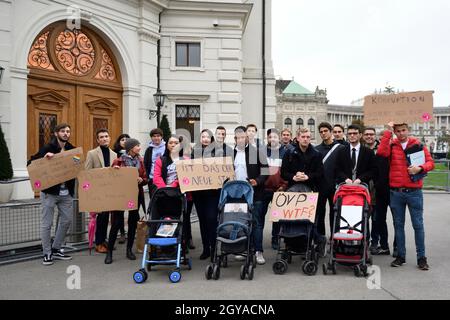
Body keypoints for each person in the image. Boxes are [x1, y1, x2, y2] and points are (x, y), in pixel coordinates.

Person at [377, 122, 434, 270]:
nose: (401, 133)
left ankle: (421, 258)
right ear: (395, 132)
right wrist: (388, 131)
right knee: (398, 226)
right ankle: (400, 256)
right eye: (398, 131)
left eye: (404, 130)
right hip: (396, 192)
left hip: (414, 192)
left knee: (418, 226)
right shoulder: (391, 145)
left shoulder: (418, 144)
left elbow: (430, 163)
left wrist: (420, 168)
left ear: (408, 130)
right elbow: (381, 153)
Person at [27, 123, 75, 265]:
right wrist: (44, 158)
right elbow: (30, 163)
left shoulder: (72, 149)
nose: (66, 133)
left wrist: (76, 161)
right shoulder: (48, 148)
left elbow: (78, 164)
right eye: (63, 131)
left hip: (66, 192)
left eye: (68, 131)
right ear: (56, 133)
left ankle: (56, 248)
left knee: (66, 221)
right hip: (50, 192)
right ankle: (46, 253)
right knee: (47, 224)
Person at [105, 138, 147, 264]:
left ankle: (129, 250)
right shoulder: (118, 160)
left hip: (135, 194)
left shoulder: (141, 160)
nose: (139, 147)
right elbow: (110, 176)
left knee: (133, 221)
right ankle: (109, 252)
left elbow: (145, 177)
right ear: (130, 148)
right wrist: (115, 171)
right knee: (117, 222)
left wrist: (142, 180)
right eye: (137, 145)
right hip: (120, 195)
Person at [233, 126, 268, 264]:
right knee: (241, 222)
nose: (241, 139)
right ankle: (244, 249)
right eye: (238, 137)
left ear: (247, 137)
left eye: (243, 137)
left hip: (255, 193)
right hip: (236, 194)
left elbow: (266, 171)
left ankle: (258, 251)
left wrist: (258, 181)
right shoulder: (231, 154)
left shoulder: (257, 152)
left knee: (256, 223)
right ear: (235, 139)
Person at [85, 128, 117, 254]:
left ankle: (104, 240)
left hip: (109, 190)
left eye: (106, 136)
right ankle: (98, 243)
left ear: (109, 138)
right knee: (101, 217)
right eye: (101, 137)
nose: (104, 138)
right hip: (97, 190)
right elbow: (87, 172)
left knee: (106, 217)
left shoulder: (114, 154)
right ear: (98, 140)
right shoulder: (92, 153)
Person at [192, 129, 220, 260]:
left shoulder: (218, 152)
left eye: (208, 137)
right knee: (202, 221)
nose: (205, 139)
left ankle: (214, 248)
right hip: (199, 193)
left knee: (211, 219)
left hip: (213, 193)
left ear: (211, 139)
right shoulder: (194, 152)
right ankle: (205, 248)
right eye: (203, 137)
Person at [362, 127, 391, 256]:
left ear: (375, 136)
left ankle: (379, 243)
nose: (369, 136)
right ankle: (365, 241)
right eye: (366, 134)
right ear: (363, 136)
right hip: (365, 189)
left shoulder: (383, 148)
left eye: (371, 134)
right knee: (364, 218)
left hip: (380, 189)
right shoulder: (360, 150)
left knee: (378, 219)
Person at [262, 129, 290, 250]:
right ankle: (256, 240)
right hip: (263, 189)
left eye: (274, 137)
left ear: (278, 138)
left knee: (277, 217)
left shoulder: (286, 152)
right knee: (259, 216)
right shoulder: (261, 152)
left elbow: (287, 172)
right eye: (270, 137)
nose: (272, 139)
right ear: (267, 138)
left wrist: (283, 186)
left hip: (279, 189)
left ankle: (275, 238)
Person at [315, 122, 344, 236]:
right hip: (321, 187)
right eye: (321, 132)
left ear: (331, 132)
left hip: (335, 187)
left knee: (335, 213)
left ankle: (334, 237)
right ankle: (321, 238)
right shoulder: (316, 149)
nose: (323, 133)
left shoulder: (341, 148)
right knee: (320, 213)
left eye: (325, 131)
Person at [281, 127, 323, 192]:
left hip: (311, 189)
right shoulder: (289, 153)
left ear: (310, 138)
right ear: (298, 138)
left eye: (308, 137)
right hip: (292, 188)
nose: (305, 139)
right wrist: (294, 177)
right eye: (303, 137)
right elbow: (283, 173)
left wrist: (307, 176)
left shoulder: (317, 154)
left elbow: (320, 173)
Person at [112, 133, 130, 244]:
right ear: (119, 142)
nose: (124, 141)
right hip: (117, 186)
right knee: (119, 212)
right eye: (122, 139)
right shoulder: (114, 154)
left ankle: (132, 231)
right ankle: (122, 233)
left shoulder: (133, 153)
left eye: (127, 139)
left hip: (129, 185)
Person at [143, 128, 166, 198]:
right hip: (152, 178)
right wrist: (147, 177)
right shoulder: (149, 149)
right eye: (154, 136)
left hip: (164, 178)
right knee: (153, 199)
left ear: (161, 137)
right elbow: (145, 164)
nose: (156, 138)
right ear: (151, 137)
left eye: (158, 136)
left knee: (164, 199)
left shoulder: (166, 147)